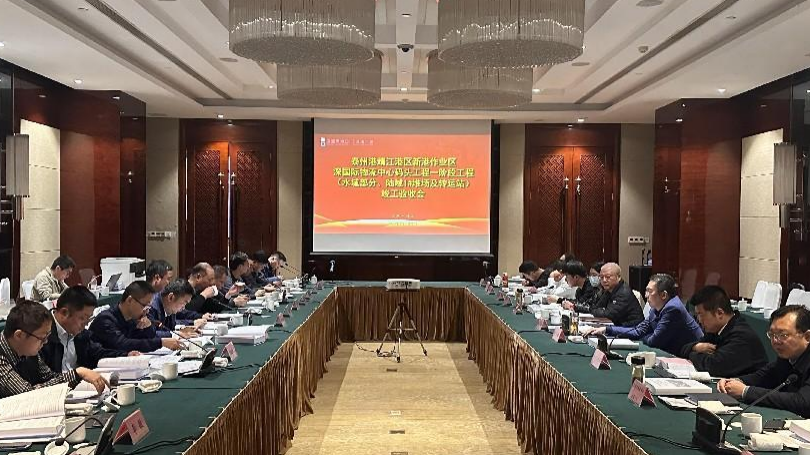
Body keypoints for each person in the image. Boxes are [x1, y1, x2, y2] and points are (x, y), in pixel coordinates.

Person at [0, 301, 108, 398]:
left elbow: (50, 378)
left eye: (47, 336)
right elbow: (28, 394)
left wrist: (78, 375)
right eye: (42, 338)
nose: (45, 342)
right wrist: (77, 373)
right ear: (19, 335)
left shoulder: (28, 350)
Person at [719, 305, 810, 417]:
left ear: (807, 337)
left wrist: (745, 391)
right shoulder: (786, 357)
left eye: (783, 335)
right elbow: (762, 376)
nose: (775, 341)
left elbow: (803, 403)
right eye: (772, 334)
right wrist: (735, 381)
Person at [584, 274, 703, 355]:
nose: (646, 295)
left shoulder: (673, 309)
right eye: (646, 290)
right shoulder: (656, 308)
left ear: (663, 295)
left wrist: (645, 336)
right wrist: (606, 329)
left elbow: (654, 341)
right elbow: (638, 330)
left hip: (691, 357)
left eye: (650, 291)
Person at [40, 286, 138, 373]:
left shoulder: (80, 334)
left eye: (89, 318)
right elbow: (44, 378)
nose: (86, 323)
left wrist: (126, 355)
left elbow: (97, 353)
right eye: (83, 318)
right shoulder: (41, 336)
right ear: (64, 313)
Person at [680, 286, 768, 377]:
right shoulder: (716, 329)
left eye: (701, 315)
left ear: (719, 313)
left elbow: (713, 366)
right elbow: (683, 350)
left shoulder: (742, 336)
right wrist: (695, 347)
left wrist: (692, 354)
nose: (699, 320)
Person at [89, 281, 183, 352]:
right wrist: (161, 343)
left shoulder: (133, 318)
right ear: (130, 300)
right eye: (144, 306)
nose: (147, 311)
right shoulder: (106, 320)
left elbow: (145, 338)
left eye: (148, 307)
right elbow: (124, 344)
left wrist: (148, 326)